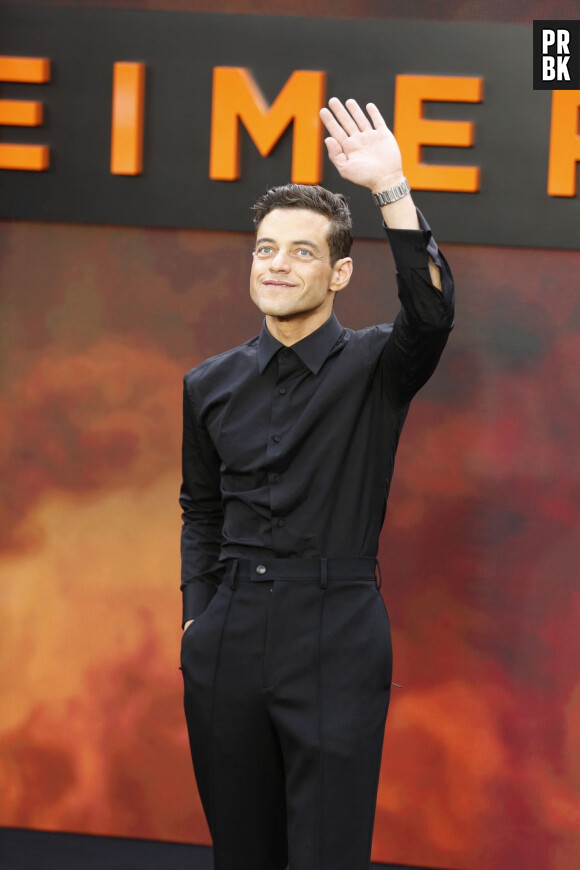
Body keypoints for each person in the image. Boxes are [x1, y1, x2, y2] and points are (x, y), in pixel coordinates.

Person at [179, 97, 454, 870]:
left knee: (328, 855)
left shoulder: (377, 366)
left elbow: (431, 313)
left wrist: (391, 187)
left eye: (301, 252)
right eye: (266, 249)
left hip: (337, 634)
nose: (277, 265)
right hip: (226, 637)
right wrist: (198, 621)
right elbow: (199, 510)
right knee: (243, 855)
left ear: (338, 272)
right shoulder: (210, 384)